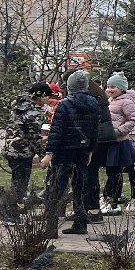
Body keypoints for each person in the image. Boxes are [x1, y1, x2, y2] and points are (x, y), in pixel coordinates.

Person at [40, 70, 102, 235]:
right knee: (80, 187)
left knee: (56, 188)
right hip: (82, 151)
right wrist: (90, 150)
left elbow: (57, 131)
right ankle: (80, 224)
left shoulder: (64, 104)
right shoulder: (94, 104)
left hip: (64, 152)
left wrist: (49, 153)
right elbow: (95, 130)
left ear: (69, 87)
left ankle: (50, 228)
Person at [4, 83, 50, 209]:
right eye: (47, 96)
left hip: (12, 149)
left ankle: (13, 209)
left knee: (17, 181)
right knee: (20, 184)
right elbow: (34, 138)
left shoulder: (21, 106)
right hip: (22, 151)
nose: (48, 100)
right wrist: (44, 155)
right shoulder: (34, 112)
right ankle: (8, 212)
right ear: (41, 96)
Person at [100, 73, 135, 214]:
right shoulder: (111, 100)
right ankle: (110, 199)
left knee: (116, 172)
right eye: (108, 87)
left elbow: (134, 119)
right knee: (110, 172)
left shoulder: (126, 102)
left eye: (113, 87)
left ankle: (115, 203)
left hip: (119, 142)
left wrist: (119, 130)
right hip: (109, 141)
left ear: (121, 88)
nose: (109, 89)